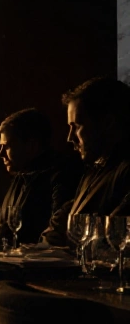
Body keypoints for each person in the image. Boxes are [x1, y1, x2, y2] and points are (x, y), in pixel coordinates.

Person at [41, 77, 130, 247]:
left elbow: (111, 239)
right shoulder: (95, 169)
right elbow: (60, 226)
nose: (69, 138)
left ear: (108, 123)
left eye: (77, 126)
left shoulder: (123, 171)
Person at [0, 109, 82, 246]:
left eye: (6, 147)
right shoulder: (21, 175)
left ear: (31, 145)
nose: (0, 154)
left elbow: (57, 233)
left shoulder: (62, 175)